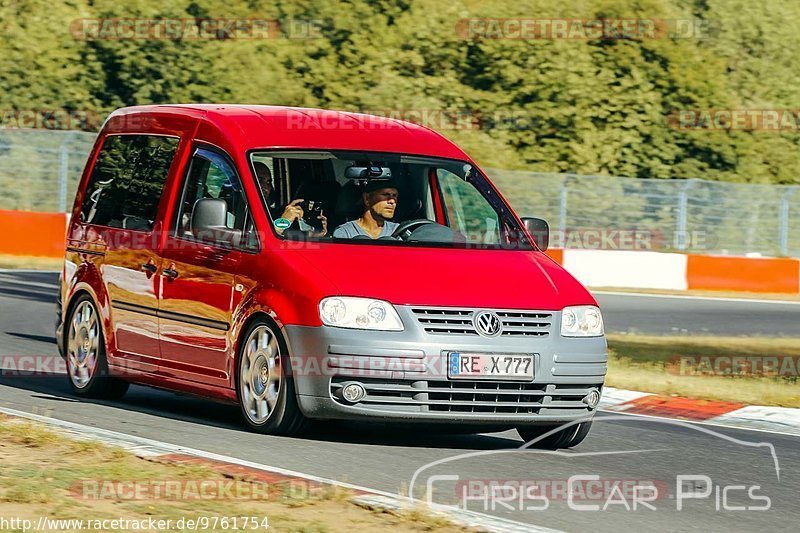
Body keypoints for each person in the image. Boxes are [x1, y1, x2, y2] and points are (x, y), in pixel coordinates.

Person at [254, 161, 327, 237]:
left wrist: (316, 234)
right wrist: (284, 221)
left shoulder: (271, 214)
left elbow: (291, 239)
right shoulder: (242, 215)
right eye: (260, 180)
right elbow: (258, 241)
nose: (265, 187)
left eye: (268, 182)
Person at [333, 179, 399, 239]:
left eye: (394, 196)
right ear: (367, 198)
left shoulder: (398, 231)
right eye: (386, 194)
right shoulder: (345, 233)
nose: (392, 201)